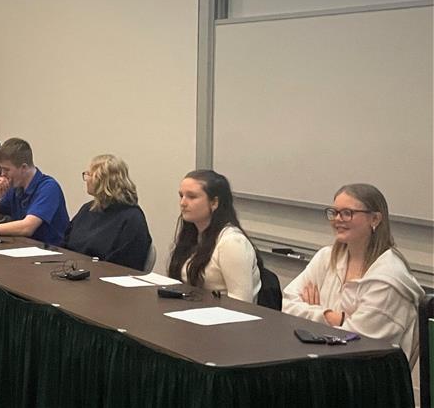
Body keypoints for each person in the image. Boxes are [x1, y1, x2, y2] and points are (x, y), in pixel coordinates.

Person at [282, 183, 424, 365]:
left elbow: (355, 342)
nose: (337, 219)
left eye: (347, 213)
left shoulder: (389, 278)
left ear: (375, 219)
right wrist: (329, 316)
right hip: (322, 363)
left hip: (364, 377)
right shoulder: (326, 258)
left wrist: (311, 318)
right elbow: (286, 305)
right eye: (334, 212)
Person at [167, 170, 261, 302]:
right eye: (181, 195)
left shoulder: (232, 242)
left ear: (214, 202)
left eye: (192, 197)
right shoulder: (192, 235)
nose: (183, 203)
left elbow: (241, 303)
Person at [63, 154, 152, 271]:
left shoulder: (132, 219)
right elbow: (65, 243)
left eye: (89, 175)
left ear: (103, 181)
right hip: (74, 272)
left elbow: (124, 265)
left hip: (103, 280)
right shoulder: (87, 209)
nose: (86, 179)